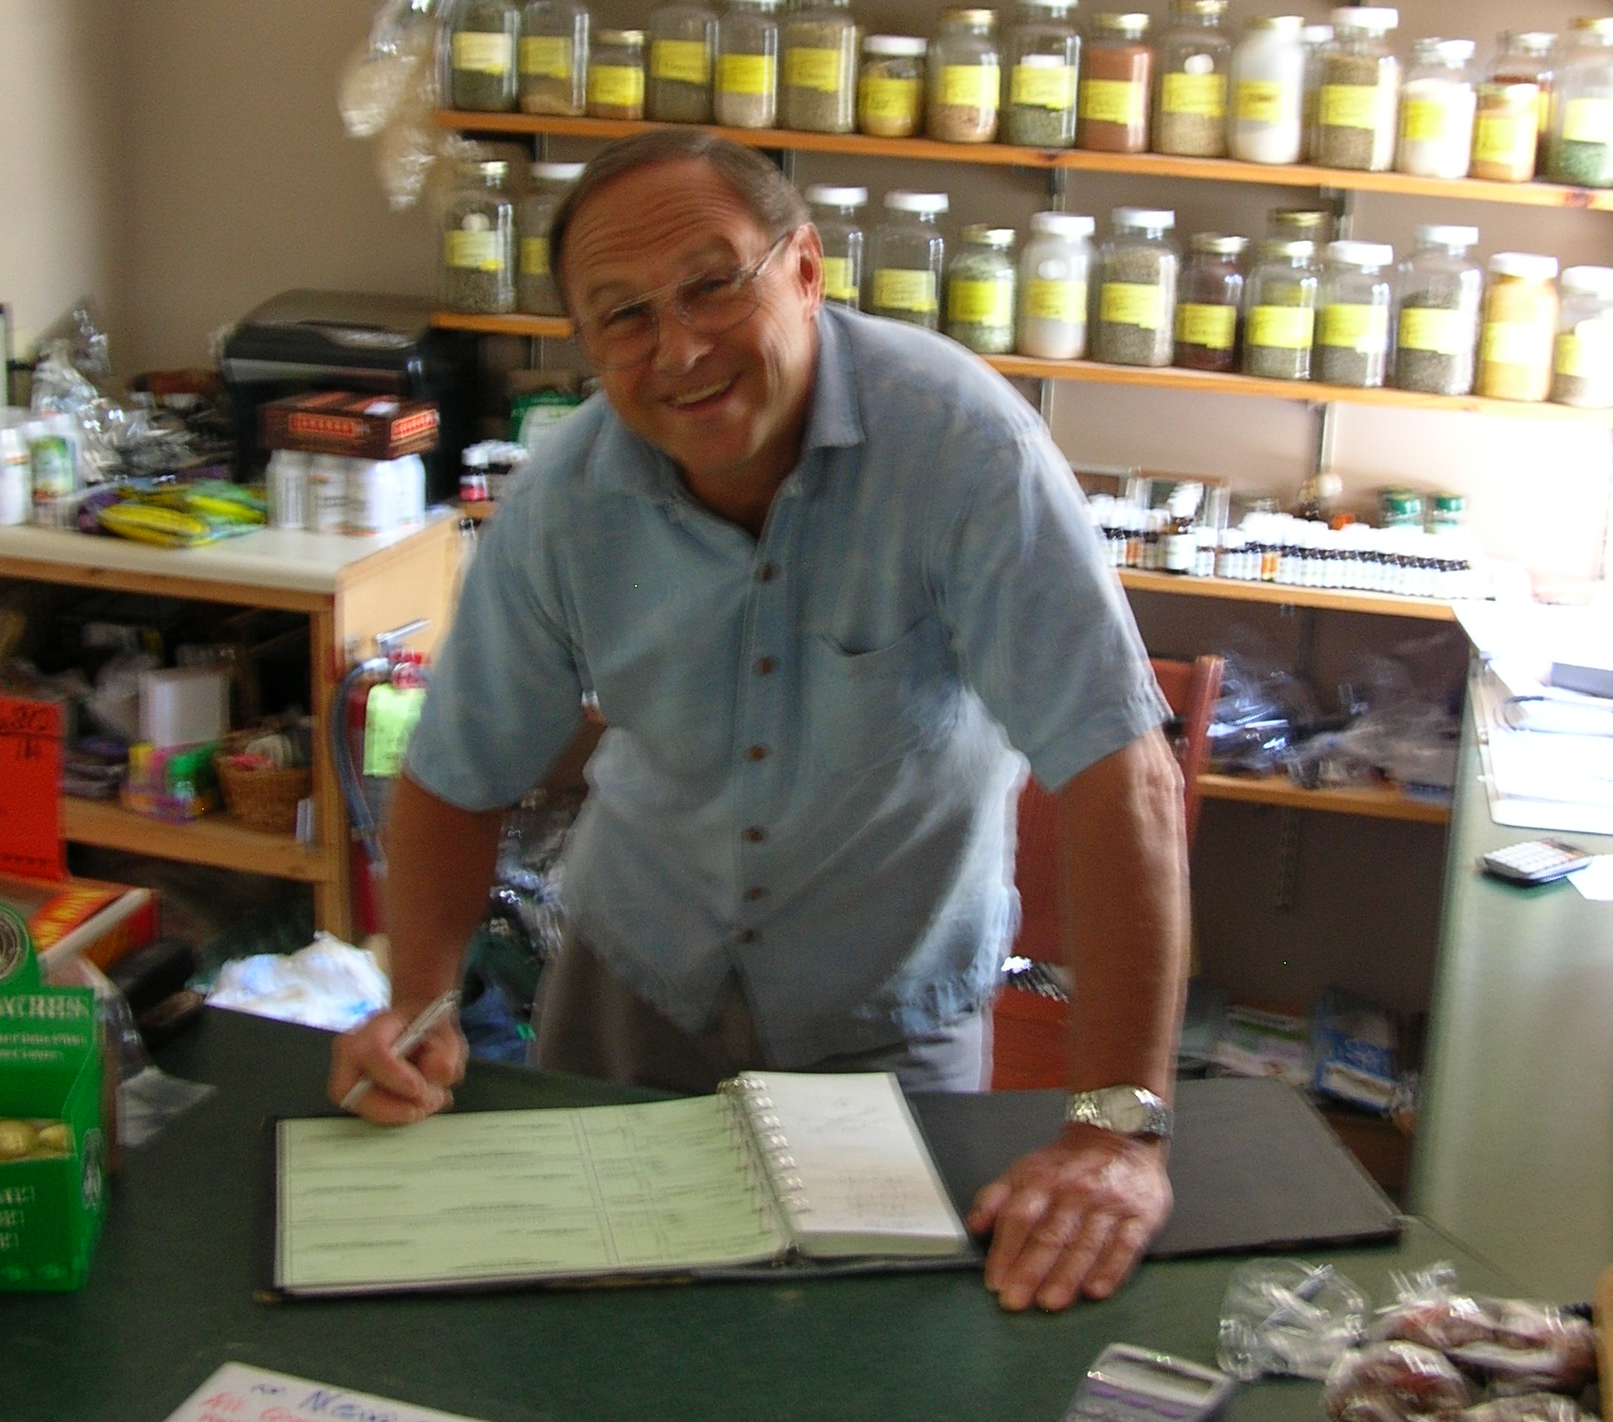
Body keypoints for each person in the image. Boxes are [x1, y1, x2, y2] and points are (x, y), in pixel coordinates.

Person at [331, 131, 1189, 1312]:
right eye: (623, 315)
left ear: (804, 268)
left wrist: (1113, 1127)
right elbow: (456, 768)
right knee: (593, 1343)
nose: (679, 347)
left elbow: (1117, 774)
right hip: (630, 989)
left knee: (879, 1359)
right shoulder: (566, 499)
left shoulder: (962, 448)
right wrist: (418, 1003)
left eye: (711, 283)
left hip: (883, 1012)